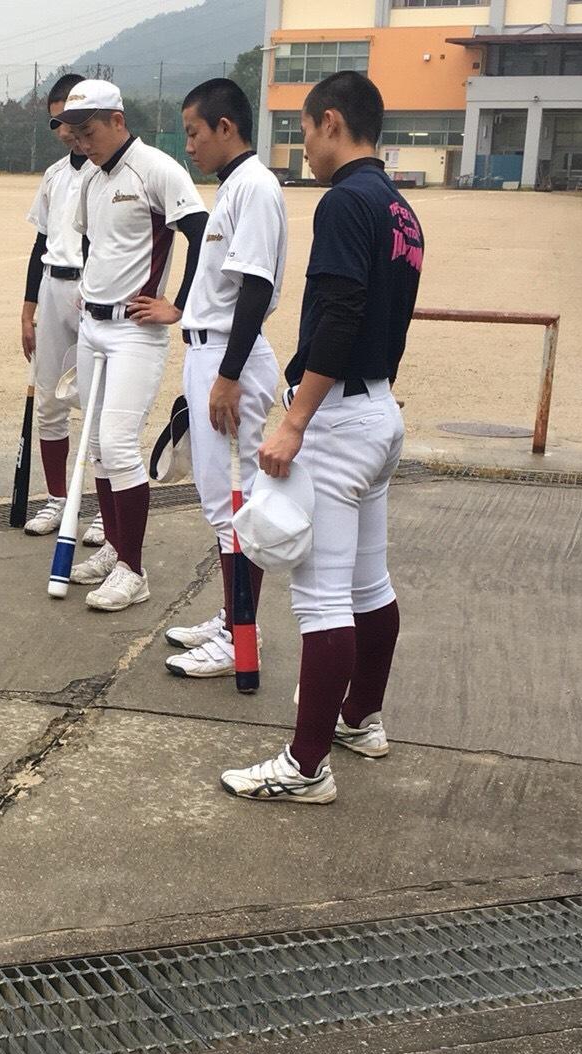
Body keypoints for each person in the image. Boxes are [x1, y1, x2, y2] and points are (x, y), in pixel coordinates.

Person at [221, 71, 421, 804]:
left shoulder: (344, 203)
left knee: (321, 599)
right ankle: (361, 719)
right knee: (370, 583)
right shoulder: (401, 208)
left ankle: (306, 768)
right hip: (379, 412)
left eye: (303, 130)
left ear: (331, 122)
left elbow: (337, 314)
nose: (301, 146)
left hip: (337, 418)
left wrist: (294, 421)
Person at [55, 79, 208, 611]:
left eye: (89, 130)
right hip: (94, 327)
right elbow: (99, 246)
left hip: (135, 332)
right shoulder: (91, 179)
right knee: (96, 446)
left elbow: (203, 232)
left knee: (118, 445)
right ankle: (117, 549)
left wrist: (180, 304)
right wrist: (89, 295)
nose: (81, 141)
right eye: (74, 133)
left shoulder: (157, 169)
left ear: (118, 120)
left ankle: (133, 571)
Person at [164, 78, 288, 679]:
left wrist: (228, 375)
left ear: (225, 127)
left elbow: (256, 287)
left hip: (226, 359)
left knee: (231, 505)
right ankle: (230, 618)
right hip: (209, 354)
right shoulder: (235, 188)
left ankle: (243, 634)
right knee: (224, 501)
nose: (189, 145)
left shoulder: (255, 187)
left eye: (193, 132)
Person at [19, 73, 97, 539]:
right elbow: (39, 243)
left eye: (68, 120)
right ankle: (57, 499)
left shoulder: (107, 169)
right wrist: (27, 309)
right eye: (56, 123)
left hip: (94, 293)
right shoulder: (53, 176)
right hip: (53, 287)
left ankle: (105, 508)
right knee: (50, 401)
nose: (64, 131)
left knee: (97, 404)